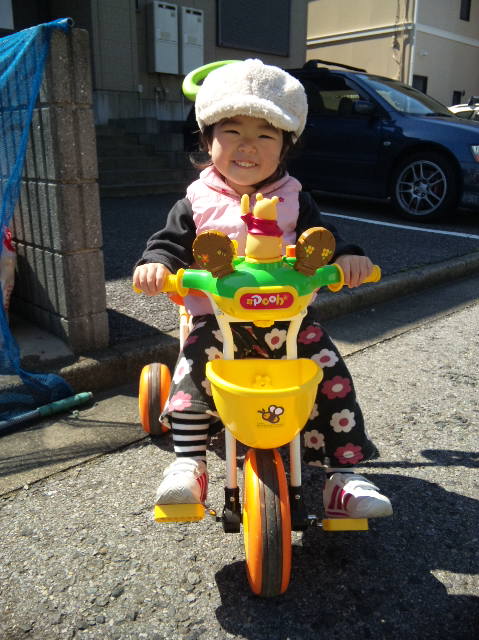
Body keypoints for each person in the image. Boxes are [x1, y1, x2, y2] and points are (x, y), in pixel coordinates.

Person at [133, 59, 392, 519]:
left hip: (290, 322)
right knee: (192, 372)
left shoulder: (295, 198)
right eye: (232, 131)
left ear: (286, 146)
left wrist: (346, 259)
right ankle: (189, 464)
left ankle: (343, 476)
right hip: (219, 321)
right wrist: (157, 265)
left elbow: (325, 240)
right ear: (207, 140)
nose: (247, 145)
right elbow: (168, 243)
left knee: (330, 379)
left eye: (265, 135)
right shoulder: (196, 200)